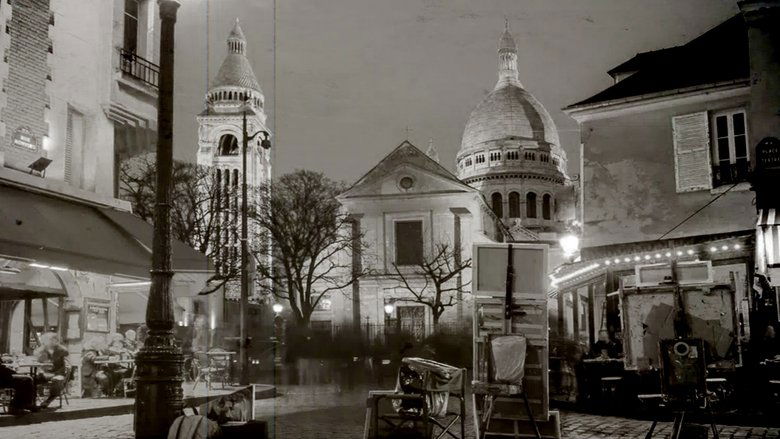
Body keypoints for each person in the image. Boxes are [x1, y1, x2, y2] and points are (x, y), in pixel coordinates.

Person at [34, 332, 70, 409]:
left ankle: (49, 400)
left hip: (58, 373)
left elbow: (67, 364)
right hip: (44, 373)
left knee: (56, 380)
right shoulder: (41, 350)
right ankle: (31, 401)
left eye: (54, 339)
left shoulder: (62, 350)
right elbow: (36, 362)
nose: (52, 341)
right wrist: (42, 369)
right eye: (48, 340)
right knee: (32, 379)